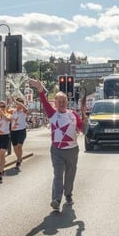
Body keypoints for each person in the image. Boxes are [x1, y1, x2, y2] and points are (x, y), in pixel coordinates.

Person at [28, 78, 84, 211]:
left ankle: (68, 195)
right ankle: (56, 199)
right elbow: (43, 100)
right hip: (57, 150)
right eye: (59, 102)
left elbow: (81, 128)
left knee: (70, 174)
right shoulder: (52, 113)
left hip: (72, 149)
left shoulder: (73, 114)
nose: (62, 104)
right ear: (55, 103)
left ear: (67, 102)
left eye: (64, 101)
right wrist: (39, 88)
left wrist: (84, 125)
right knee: (58, 174)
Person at [9, 97, 29, 170]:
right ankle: (19, 158)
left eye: (21, 102)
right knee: (15, 147)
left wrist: (18, 102)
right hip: (13, 131)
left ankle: (18, 161)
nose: (19, 104)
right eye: (18, 102)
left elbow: (26, 109)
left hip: (21, 130)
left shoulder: (23, 111)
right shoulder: (13, 111)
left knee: (19, 145)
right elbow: (6, 111)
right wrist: (9, 102)